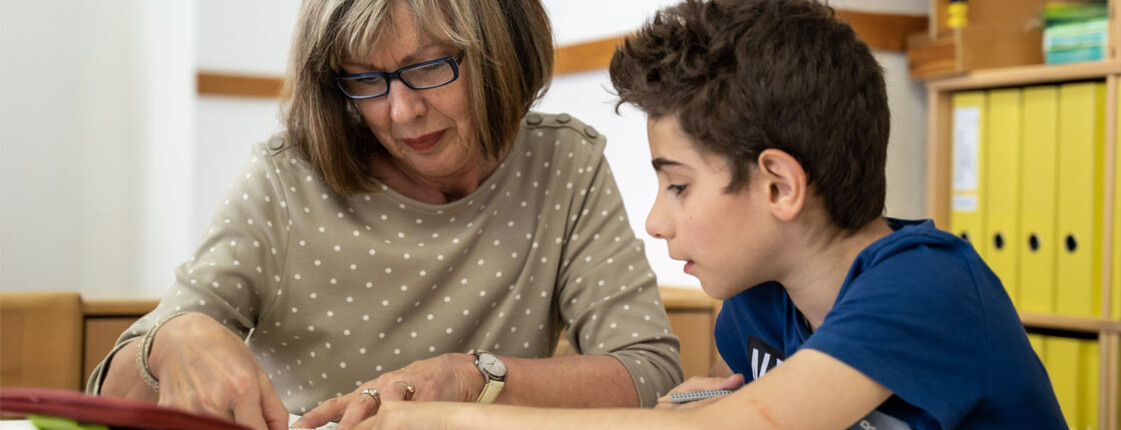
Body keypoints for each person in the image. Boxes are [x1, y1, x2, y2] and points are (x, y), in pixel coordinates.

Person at [349, 0, 1068, 428]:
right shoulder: (755, 310)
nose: (655, 222)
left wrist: (455, 417)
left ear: (779, 185)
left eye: (678, 187)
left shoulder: (924, 289)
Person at [86, 0, 683, 429]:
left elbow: (648, 371)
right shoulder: (287, 177)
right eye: (366, 80)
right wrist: (173, 339)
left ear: (504, 52)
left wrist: (473, 375)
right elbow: (108, 392)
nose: (400, 113)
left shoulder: (565, 164)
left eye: (427, 68)